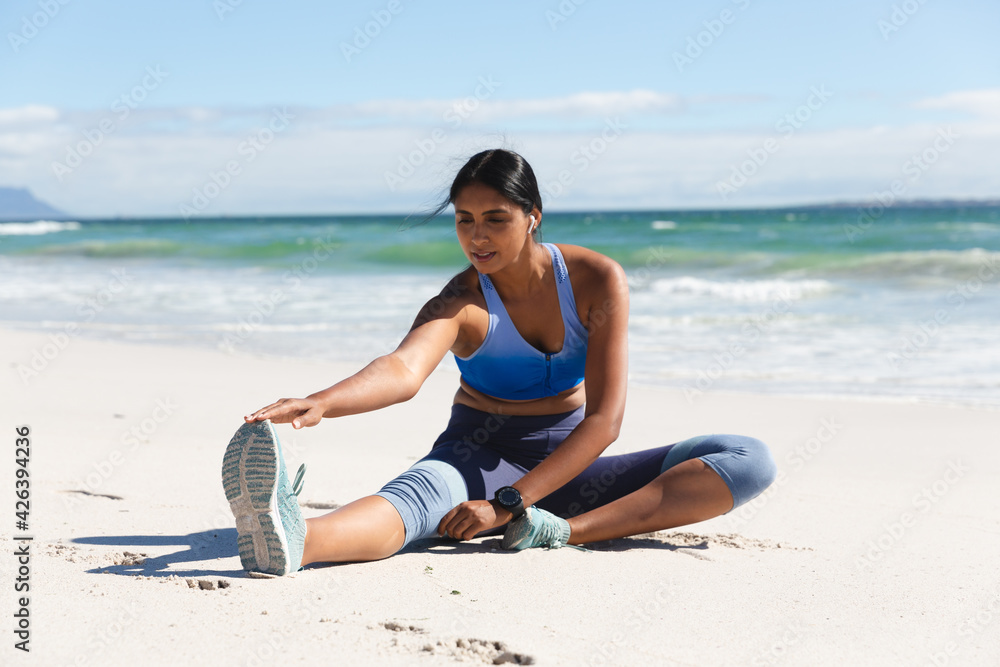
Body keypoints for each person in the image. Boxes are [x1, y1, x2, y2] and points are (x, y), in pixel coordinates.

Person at [222, 148, 777, 576]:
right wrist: (323, 401)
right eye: (464, 220)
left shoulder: (596, 280)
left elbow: (605, 422)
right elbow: (402, 369)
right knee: (413, 500)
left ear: (532, 216)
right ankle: (296, 539)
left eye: (495, 218)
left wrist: (512, 505)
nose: (476, 236)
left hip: (570, 467)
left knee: (748, 459)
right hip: (476, 458)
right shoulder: (460, 301)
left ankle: (558, 531)